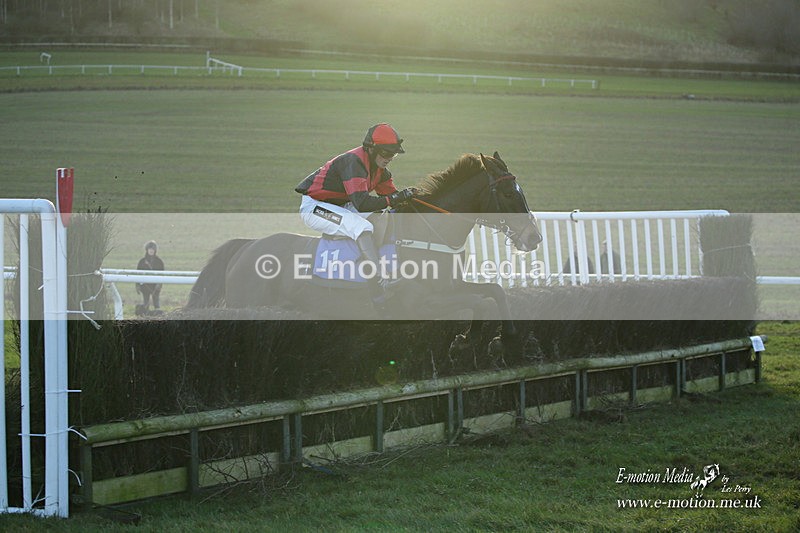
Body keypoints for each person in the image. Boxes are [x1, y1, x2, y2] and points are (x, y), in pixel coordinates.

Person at [295, 123, 418, 302]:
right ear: (372, 150)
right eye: (385, 153)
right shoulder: (353, 162)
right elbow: (362, 204)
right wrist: (396, 198)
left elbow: (391, 199)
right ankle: (378, 279)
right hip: (315, 207)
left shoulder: (380, 171)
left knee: (381, 215)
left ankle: (386, 264)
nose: (389, 157)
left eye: (393, 154)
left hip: (341, 205)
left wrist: (414, 198)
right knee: (361, 227)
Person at [135, 240, 164, 315]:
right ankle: (146, 316)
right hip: (145, 286)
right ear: (147, 250)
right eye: (150, 249)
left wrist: (159, 284)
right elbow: (137, 274)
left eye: (153, 249)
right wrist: (137, 285)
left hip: (155, 286)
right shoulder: (142, 261)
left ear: (155, 250)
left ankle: (158, 317)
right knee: (146, 302)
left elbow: (162, 274)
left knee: (156, 303)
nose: (151, 251)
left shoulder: (159, 261)